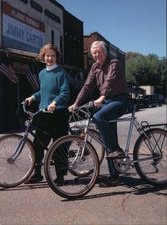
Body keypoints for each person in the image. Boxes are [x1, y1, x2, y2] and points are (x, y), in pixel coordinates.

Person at [69, 40, 129, 187]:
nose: (96, 55)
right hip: (106, 102)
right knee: (106, 137)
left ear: (105, 52)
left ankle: (117, 150)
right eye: (94, 53)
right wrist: (76, 103)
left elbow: (110, 81)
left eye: (99, 52)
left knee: (98, 117)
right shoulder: (95, 67)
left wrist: (102, 96)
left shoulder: (114, 63)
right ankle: (114, 176)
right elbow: (87, 85)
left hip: (120, 101)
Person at [24, 44, 70, 185]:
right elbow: (44, 92)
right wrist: (33, 97)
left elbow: (65, 92)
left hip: (59, 112)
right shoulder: (42, 73)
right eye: (47, 55)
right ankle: (37, 174)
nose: (50, 58)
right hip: (44, 113)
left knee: (58, 145)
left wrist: (55, 103)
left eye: (53, 55)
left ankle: (60, 177)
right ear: (43, 57)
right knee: (38, 144)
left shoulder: (61, 72)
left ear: (57, 57)